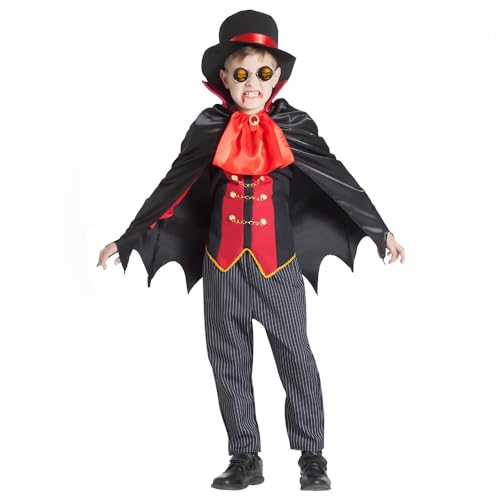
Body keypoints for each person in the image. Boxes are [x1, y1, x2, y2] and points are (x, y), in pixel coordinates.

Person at [97, 9, 405, 491]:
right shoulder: (208, 127)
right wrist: (130, 236)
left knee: (296, 357)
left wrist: (378, 228)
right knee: (228, 361)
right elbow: (174, 184)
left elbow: (336, 177)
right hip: (221, 267)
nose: (253, 84)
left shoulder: (293, 125)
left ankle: (312, 455)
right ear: (224, 77)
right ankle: (245, 456)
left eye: (263, 73)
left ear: (277, 76)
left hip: (278, 266)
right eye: (242, 75)